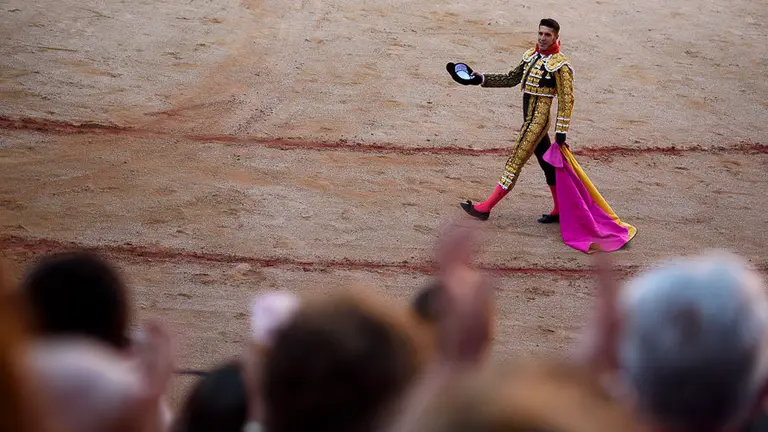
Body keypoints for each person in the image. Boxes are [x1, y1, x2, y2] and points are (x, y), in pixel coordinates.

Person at [459, 18, 573, 224]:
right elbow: (511, 78)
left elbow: (567, 99)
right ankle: (559, 209)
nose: (542, 38)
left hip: (537, 122)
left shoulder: (560, 65)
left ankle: (485, 208)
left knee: (515, 161)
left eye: (547, 35)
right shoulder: (531, 56)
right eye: (540, 33)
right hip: (529, 118)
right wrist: (481, 78)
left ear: (556, 37)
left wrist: (561, 131)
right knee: (547, 164)